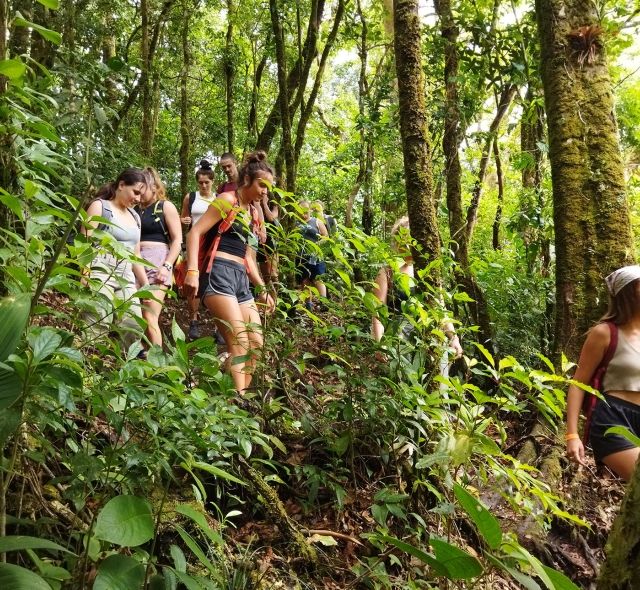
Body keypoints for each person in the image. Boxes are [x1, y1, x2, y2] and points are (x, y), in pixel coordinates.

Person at [183, 150, 275, 394]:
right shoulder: (226, 200)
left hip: (241, 278)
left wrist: (262, 289)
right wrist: (192, 270)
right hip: (218, 273)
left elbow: (249, 257)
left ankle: (233, 395)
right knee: (239, 341)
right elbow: (195, 233)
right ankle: (239, 403)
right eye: (262, 185)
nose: (265, 192)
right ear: (247, 181)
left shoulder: (253, 213)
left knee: (256, 343)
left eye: (269, 187)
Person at [566, 265, 640, 481]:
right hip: (614, 419)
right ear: (630, 292)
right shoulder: (604, 333)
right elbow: (578, 384)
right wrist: (572, 434)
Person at [371, 217, 463, 360]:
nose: (408, 245)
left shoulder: (428, 271)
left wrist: (453, 337)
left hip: (428, 340)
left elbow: (439, 307)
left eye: (412, 240)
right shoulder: (387, 272)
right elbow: (378, 313)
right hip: (398, 342)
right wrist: (380, 345)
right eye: (404, 239)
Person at [82, 168, 149, 348]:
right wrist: (84, 273)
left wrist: (145, 285)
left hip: (126, 275)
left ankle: (121, 369)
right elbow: (84, 243)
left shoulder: (135, 216)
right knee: (96, 323)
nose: (138, 199)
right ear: (121, 185)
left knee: (133, 325)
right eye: (135, 192)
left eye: (141, 195)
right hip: (100, 271)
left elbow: (135, 254)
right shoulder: (100, 206)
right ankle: (86, 368)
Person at [137, 167, 182, 348]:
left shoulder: (165, 207)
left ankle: (155, 360)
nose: (139, 194)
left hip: (158, 263)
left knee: (149, 314)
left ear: (154, 186)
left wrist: (167, 265)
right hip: (135, 263)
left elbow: (178, 239)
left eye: (143, 189)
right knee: (134, 315)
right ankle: (138, 357)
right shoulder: (135, 209)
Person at [180, 160, 216, 340]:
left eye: (206, 182)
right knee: (192, 280)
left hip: (212, 244)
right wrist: (183, 220)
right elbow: (183, 217)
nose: (203, 185)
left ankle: (218, 325)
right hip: (195, 243)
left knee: (213, 281)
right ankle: (193, 320)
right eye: (200, 182)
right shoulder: (190, 197)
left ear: (212, 182)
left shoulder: (219, 199)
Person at [296, 200, 328, 307]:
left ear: (310, 210)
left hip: (315, 256)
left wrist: (315, 246)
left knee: (317, 278)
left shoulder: (317, 221)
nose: (303, 212)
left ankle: (323, 302)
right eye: (301, 210)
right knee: (305, 280)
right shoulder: (296, 223)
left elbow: (325, 236)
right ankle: (308, 305)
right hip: (301, 257)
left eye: (306, 209)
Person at [257, 190, 279, 286]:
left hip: (271, 240)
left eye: (264, 194)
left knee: (273, 273)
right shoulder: (254, 205)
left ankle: (278, 297)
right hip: (259, 240)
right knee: (266, 276)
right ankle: (272, 299)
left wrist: (265, 204)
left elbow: (271, 218)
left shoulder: (274, 206)